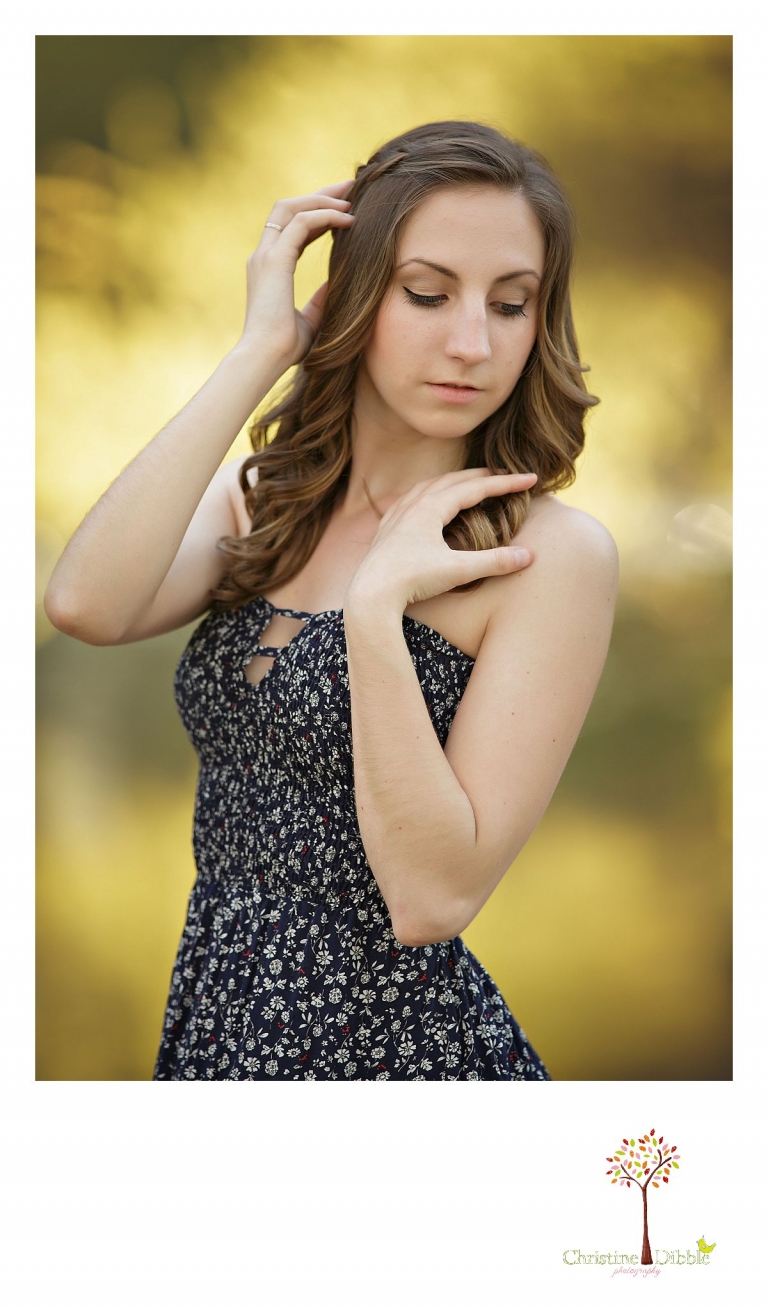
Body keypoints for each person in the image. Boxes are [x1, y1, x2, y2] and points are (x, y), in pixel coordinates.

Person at [44, 120, 619, 1081]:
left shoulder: (547, 557)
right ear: (354, 296)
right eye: (428, 294)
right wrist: (260, 351)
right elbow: (85, 605)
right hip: (217, 1029)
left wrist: (375, 617)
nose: (471, 342)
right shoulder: (267, 502)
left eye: (511, 304)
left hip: (400, 1060)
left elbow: (431, 901)